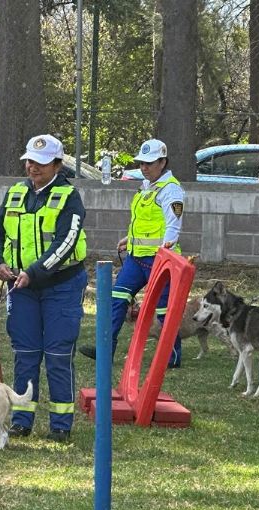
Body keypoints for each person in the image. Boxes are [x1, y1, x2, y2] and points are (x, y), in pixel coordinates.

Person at [0, 135, 88, 442]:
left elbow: (66, 242)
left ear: (57, 165)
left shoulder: (69, 196)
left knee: (58, 355)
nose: (33, 168)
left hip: (62, 287)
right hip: (21, 288)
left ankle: (60, 425)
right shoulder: (15, 193)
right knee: (26, 353)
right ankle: (22, 419)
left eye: (41, 164)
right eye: (29, 162)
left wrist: (34, 272)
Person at [79, 139, 185, 368]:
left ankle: (172, 355)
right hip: (136, 258)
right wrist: (129, 240)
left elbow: (173, 224)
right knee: (116, 299)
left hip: (161, 260)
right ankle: (105, 349)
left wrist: (166, 251)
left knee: (164, 309)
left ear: (162, 162)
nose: (144, 167)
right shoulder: (146, 187)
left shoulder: (171, 189)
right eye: (141, 163)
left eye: (149, 163)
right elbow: (143, 221)